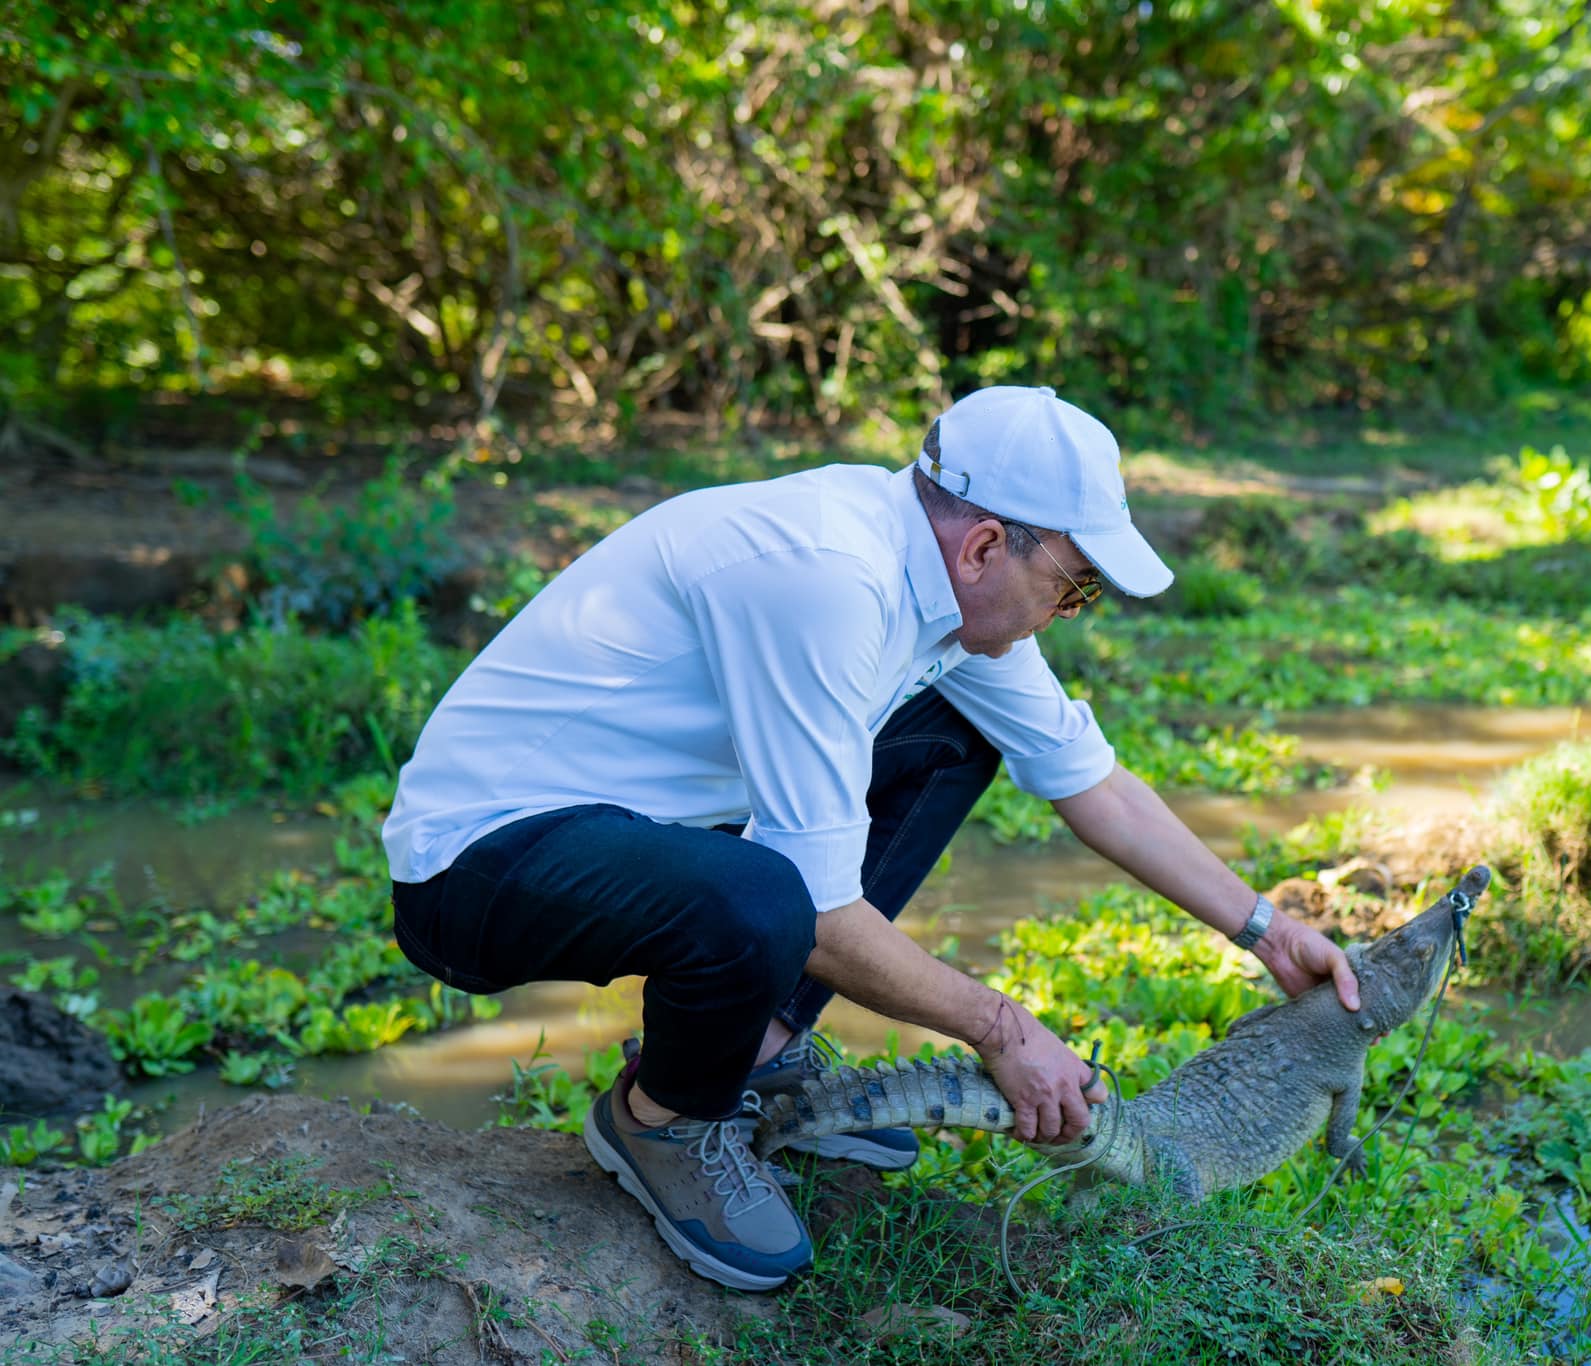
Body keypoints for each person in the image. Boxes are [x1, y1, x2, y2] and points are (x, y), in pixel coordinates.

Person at [381, 385, 1363, 1292]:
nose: (1069, 613)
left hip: (633, 830)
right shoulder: (825, 581)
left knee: (950, 740)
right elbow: (814, 912)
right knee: (771, 898)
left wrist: (1267, 931)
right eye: (1074, 586)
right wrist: (1004, 1030)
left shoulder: (941, 590)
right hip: (479, 869)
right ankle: (663, 1119)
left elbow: (1089, 780)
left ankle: (756, 1049)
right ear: (983, 545)